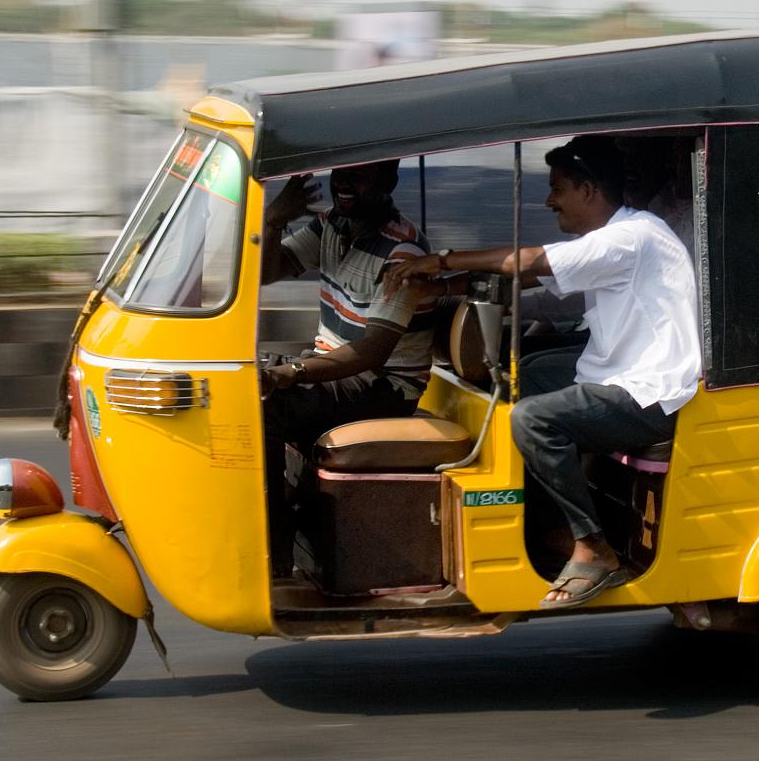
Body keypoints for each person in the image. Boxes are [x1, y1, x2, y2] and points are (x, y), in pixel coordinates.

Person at [384, 136, 700, 608]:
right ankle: (549, 523)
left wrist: (444, 260)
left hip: (648, 393)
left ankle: (594, 547)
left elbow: (528, 261)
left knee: (530, 418)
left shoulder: (629, 237)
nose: (549, 200)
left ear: (589, 191)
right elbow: (543, 283)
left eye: (558, 189)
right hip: (613, 369)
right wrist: (453, 282)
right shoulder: (616, 237)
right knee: (526, 374)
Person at [259, 159, 435, 576]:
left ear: (389, 181)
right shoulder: (332, 226)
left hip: (386, 386)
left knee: (266, 410)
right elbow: (268, 272)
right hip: (339, 370)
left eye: (360, 173)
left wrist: (295, 372)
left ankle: (275, 559)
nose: (344, 181)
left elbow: (372, 352)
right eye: (341, 172)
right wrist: (272, 224)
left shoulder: (402, 252)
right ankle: (286, 511)